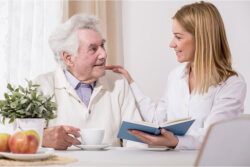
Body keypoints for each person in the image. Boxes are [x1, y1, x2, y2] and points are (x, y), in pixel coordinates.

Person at [106, 1, 247, 150]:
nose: (171, 44)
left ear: (201, 39)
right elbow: (157, 121)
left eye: (178, 37)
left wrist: (175, 141)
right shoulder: (175, 76)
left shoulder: (232, 83)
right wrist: (130, 81)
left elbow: (214, 136)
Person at [33, 14, 145, 150]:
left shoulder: (118, 82)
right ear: (69, 58)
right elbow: (22, 138)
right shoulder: (43, 85)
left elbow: (137, 141)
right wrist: (41, 138)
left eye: (102, 46)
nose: (103, 54)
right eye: (93, 49)